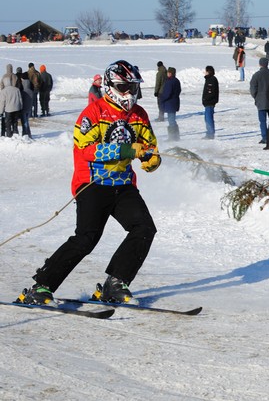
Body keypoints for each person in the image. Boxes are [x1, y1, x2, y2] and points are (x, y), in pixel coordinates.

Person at [18, 60, 161, 307]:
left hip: (124, 185)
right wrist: (126, 149)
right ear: (110, 86)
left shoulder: (139, 115)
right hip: (92, 183)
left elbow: (149, 145)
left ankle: (116, 283)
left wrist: (152, 159)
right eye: (124, 87)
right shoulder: (92, 113)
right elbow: (86, 149)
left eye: (133, 88)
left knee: (145, 228)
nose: (129, 93)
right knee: (86, 239)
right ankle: (41, 286)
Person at [250, 57, 269, 144]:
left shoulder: (257, 75)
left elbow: (253, 89)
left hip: (261, 101)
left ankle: (265, 137)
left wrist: (256, 97)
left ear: (260, 64)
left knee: (262, 121)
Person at [158, 67, 182, 140]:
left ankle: (173, 137)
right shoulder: (177, 81)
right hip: (174, 102)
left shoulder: (169, 81)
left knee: (171, 120)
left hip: (170, 103)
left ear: (170, 73)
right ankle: (175, 136)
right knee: (172, 120)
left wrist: (161, 98)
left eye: (168, 72)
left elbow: (167, 93)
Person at [0, 67, 24, 137]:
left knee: (8, 123)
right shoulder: (16, 90)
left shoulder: (4, 91)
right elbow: (20, 100)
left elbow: (2, 102)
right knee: (15, 122)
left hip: (8, 109)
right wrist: (21, 107)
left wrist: (1, 111)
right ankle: (15, 133)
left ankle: (9, 135)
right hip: (16, 108)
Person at [202, 65, 219, 139]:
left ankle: (210, 134)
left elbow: (211, 92)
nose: (204, 72)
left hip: (210, 102)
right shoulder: (208, 79)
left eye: (205, 71)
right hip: (207, 102)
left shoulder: (212, 80)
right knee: (206, 118)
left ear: (208, 72)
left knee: (209, 118)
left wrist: (206, 99)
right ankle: (208, 133)